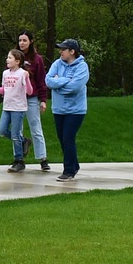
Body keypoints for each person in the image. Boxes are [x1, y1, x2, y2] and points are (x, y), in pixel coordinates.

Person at [45, 38, 89, 181]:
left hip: (76, 110)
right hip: (58, 109)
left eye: (63, 49)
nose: (60, 52)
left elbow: (75, 87)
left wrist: (58, 84)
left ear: (72, 51)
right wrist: (64, 81)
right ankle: (74, 165)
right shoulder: (57, 63)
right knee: (62, 139)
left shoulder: (82, 67)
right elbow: (48, 81)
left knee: (68, 138)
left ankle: (68, 171)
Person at [0, 48, 30, 172]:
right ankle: (24, 141)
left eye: (10, 58)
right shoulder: (5, 73)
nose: (7, 60)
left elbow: (29, 91)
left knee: (15, 135)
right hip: (7, 106)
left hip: (18, 107)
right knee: (2, 131)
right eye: (7, 57)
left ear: (17, 61)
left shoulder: (22, 73)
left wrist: (27, 79)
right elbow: (3, 90)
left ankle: (19, 161)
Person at [17, 31, 50, 172]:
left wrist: (43, 99)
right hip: (17, 99)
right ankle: (19, 158)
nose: (22, 43)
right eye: (20, 40)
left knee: (36, 128)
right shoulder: (15, 57)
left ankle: (42, 158)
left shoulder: (37, 59)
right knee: (17, 130)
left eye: (24, 40)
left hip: (31, 99)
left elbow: (41, 80)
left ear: (31, 41)